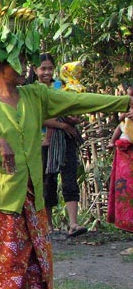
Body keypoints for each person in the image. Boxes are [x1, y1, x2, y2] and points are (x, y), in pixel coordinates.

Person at [0, 3, 131, 289]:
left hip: (33, 196)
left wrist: (121, 102)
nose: (24, 68)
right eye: (17, 61)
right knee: (1, 259)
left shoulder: (35, 96)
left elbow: (75, 100)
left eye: (27, 60)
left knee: (39, 260)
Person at [35, 55, 85, 236]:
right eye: (43, 68)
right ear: (35, 70)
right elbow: (37, 117)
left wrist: (73, 119)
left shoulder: (61, 86)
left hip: (65, 140)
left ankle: (73, 223)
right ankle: (48, 226)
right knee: (47, 182)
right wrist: (62, 124)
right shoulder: (31, 91)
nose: (47, 72)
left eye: (50, 68)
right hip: (42, 142)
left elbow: (71, 108)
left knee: (69, 178)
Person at [109, 83, 133, 233]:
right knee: (125, 188)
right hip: (125, 152)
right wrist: (112, 141)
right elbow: (120, 126)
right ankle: (126, 222)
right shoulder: (125, 112)